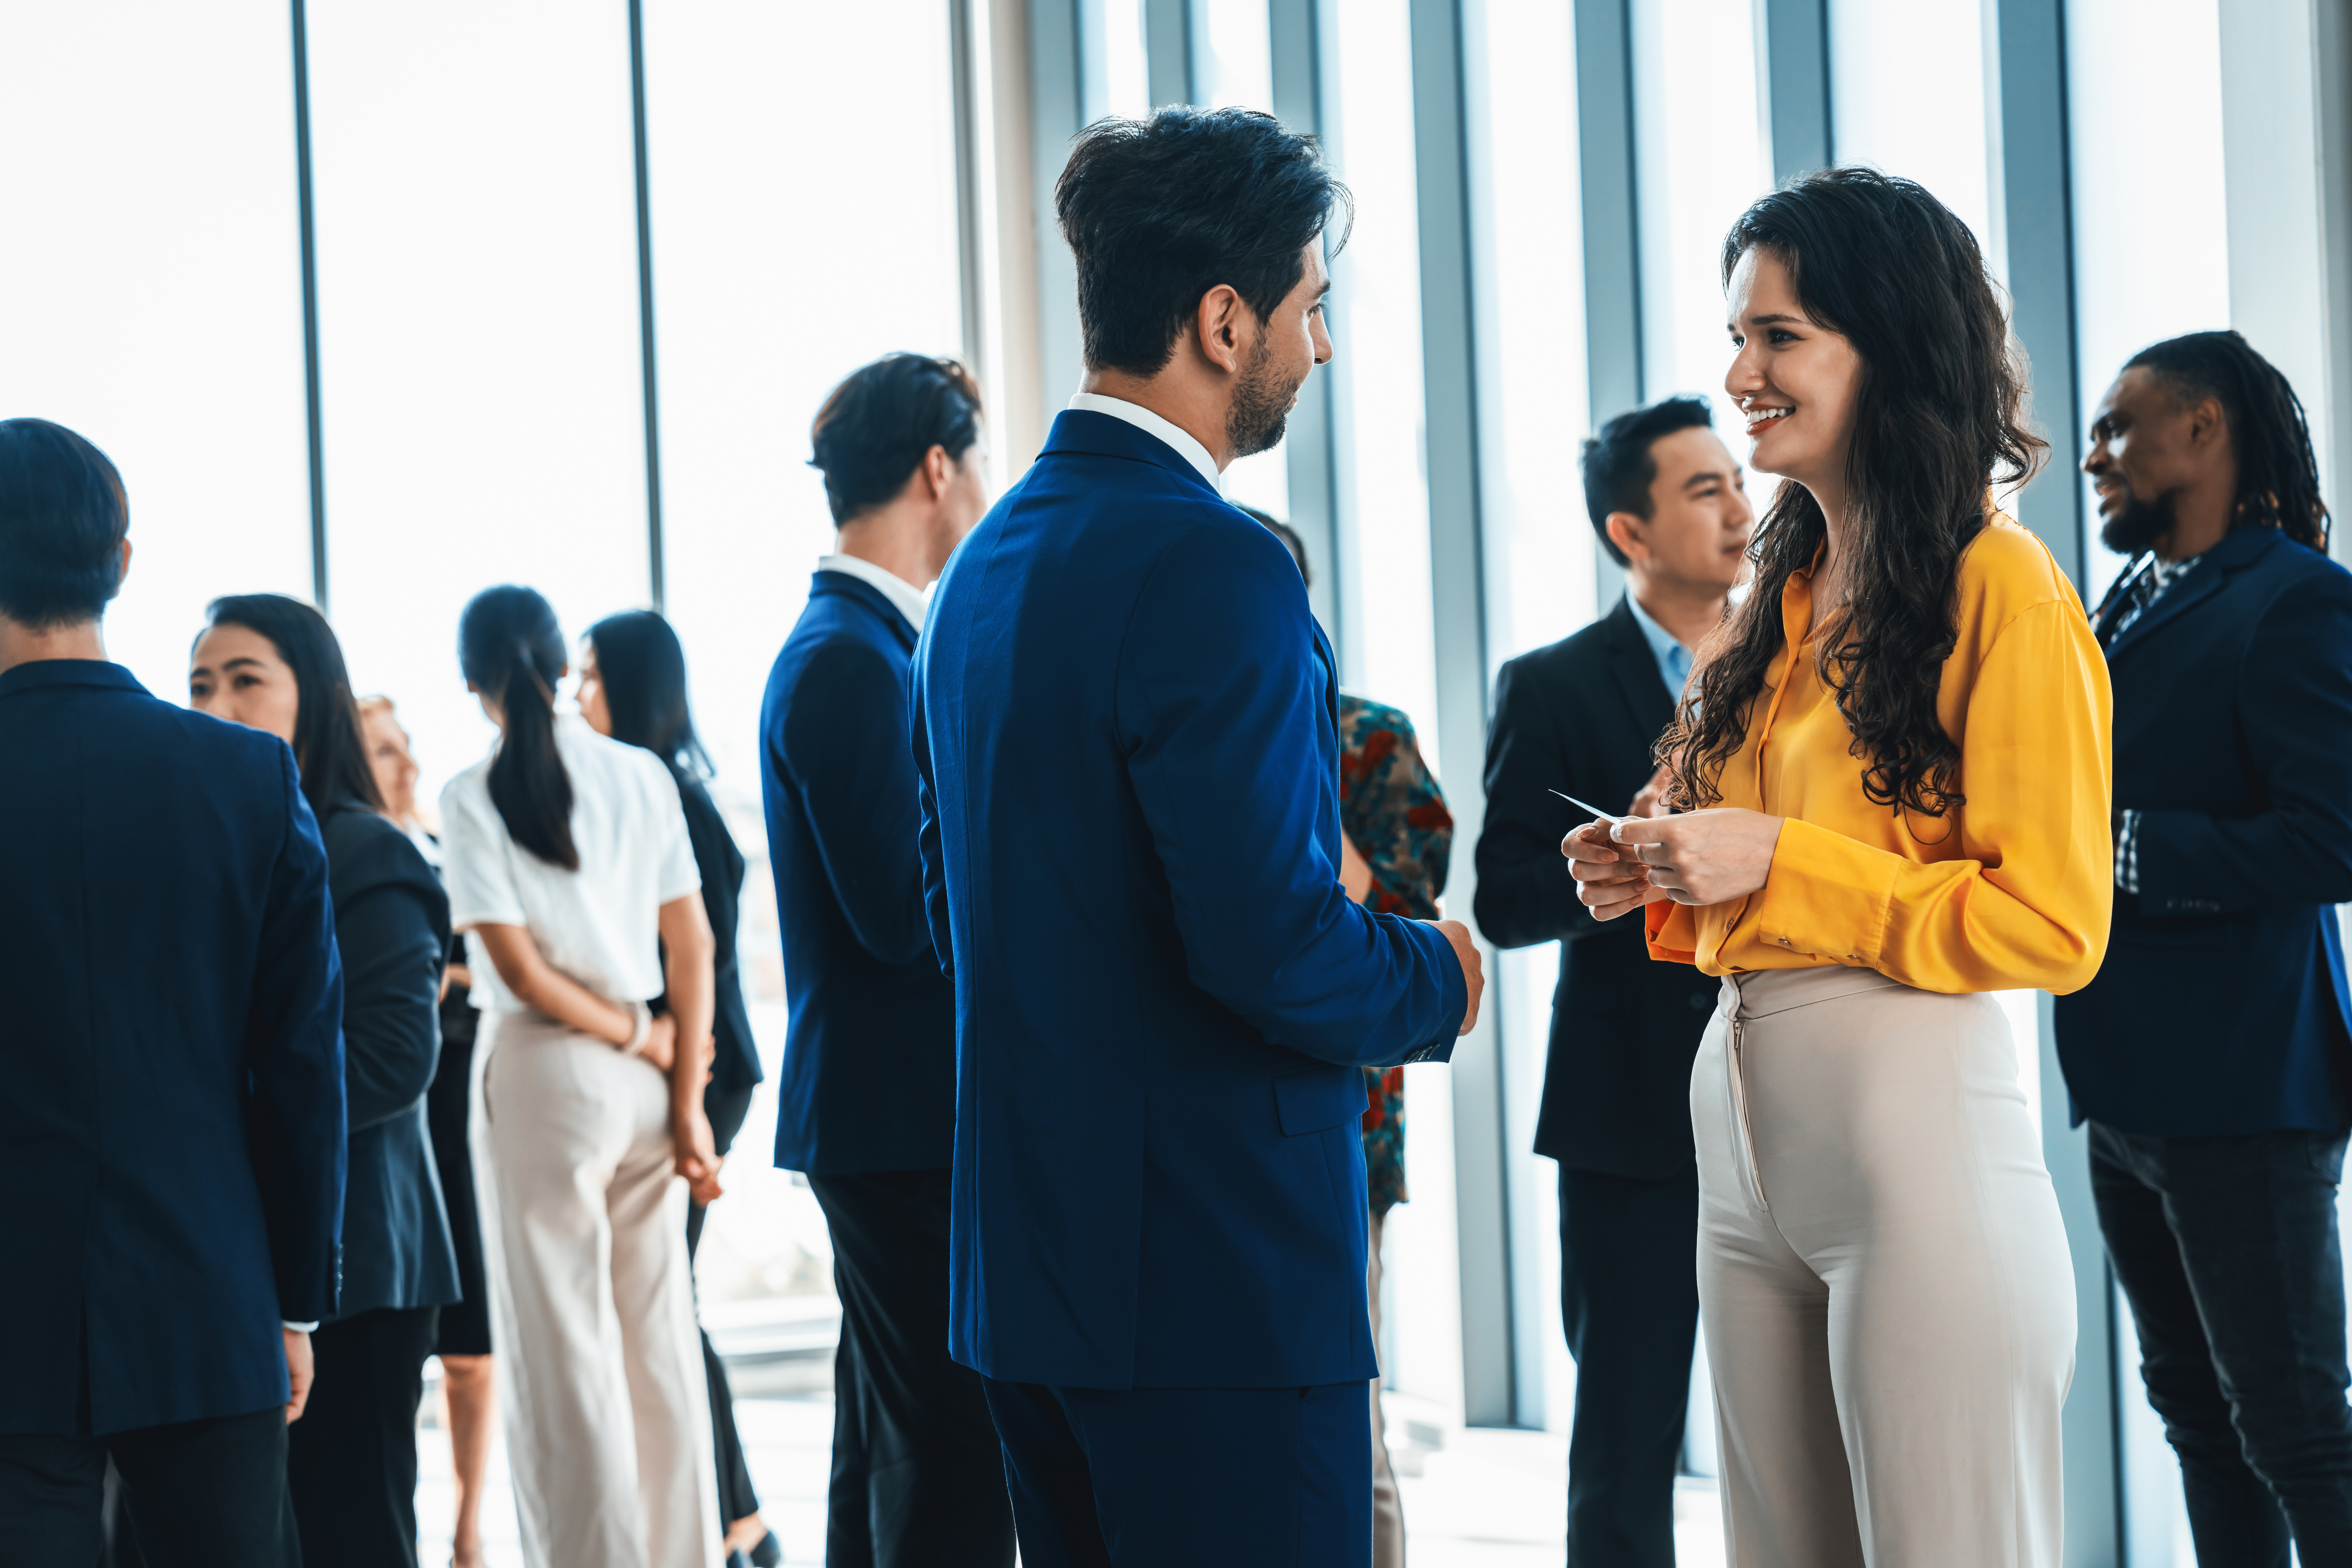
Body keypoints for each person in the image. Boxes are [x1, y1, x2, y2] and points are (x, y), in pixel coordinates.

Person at [913, 107, 1483, 1567]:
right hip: (1211, 1285)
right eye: (1312, 310)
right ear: (1226, 322)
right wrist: (1439, 977)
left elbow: (952, 904)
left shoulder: (982, 571)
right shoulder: (1211, 561)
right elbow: (1270, 942)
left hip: (1034, 1284)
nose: (1322, 348)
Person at [1565, 168, 2111, 1566]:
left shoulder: (2002, 586)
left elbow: (2053, 922)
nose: (1738, 371)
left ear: (1890, 345)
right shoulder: (1774, 606)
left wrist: (1776, 859)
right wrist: (1659, 863)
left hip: (1909, 1127)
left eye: (1779, 335)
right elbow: (1763, 865)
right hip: (1740, 1125)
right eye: (1737, 334)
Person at [0, 417, 344, 1567]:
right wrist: (293, 1296)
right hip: (208, 1290)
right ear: (124, 561)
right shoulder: (247, 777)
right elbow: (302, 1065)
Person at [2055, 330, 2352, 1563]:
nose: (2093, 454)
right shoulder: (2123, 599)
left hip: (2243, 1086)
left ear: (2204, 428)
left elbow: (2327, 838)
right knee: (2191, 1413)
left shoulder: (2293, 597)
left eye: (2119, 427)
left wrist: (2105, 848)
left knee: (2291, 1428)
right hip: (2123, 1085)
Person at [1474, 394, 1752, 1566]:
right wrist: (1628, 867)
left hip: (1783, 1096)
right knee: (1627, 1438)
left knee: (1801, 1426)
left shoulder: (1804, 665)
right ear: (1626, 534)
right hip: (1626, 1118)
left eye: (1737, 481)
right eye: (1703, 490)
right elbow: (1497, 898)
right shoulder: (1550, 685)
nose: (1740, 508)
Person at [758, 353, 1012, 1565]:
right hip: (896, 1113)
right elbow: (898, 917)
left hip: (882, 1111)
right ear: (935, 468)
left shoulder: (856, 645)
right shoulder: (850, 660)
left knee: (887, 1437)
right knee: (950, 1448)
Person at [439, 584, 724, 1568]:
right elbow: (693, 944)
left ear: (473, 682)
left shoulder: (471, 793)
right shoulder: (642, 775)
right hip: (645, 1093)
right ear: (563, 668)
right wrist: (683, 1093)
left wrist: (639, 1039)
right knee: (658, 1348)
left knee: (565, 1359)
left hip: (545, 1083)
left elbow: (517, 972)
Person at [190, 595, 460, 1568]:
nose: (216, 703)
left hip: (364, 1262)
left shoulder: (366, 848)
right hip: (261, 1251)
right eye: (200, 684)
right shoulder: (226, 851)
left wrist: (215, 1117)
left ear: (318, 700)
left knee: (354, 1529)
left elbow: (394, 1056)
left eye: (246, 679)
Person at [1251, 505, 1449, 1568]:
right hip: (1221, 1122)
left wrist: (1289, 797)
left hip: (1346, 1124)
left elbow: (1415, 934)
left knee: (1344, 1420)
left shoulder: (1367, 738)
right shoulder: (1193, 722)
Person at [580, 609, 778, 1568]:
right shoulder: (671, 792)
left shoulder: (663, 798)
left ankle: (737, 1520)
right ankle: (731, 1517)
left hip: (694, 1069)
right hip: (693, 1064)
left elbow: (684, 958)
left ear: (629, 684)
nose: (578, 699)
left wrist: (682, 1089)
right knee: (662, 1296)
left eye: (589, 678)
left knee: (661, 1299)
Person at [357, 695, 499, 1568]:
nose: (406, 765)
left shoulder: (443, 855)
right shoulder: (341, 862)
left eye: (407, 747)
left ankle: (470, 1529)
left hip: (463, 1119)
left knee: (474, 1351)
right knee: (398, 1355)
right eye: (383, 750)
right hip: (402, 1121)